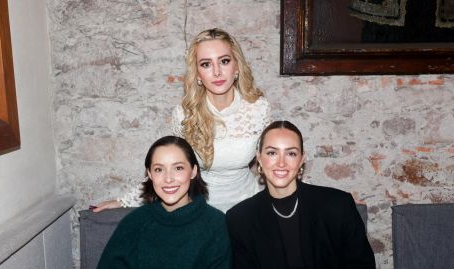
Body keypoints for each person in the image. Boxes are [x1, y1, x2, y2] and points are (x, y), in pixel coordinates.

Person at [94, 28, 271, 213]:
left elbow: (276, 163)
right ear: (197, 74)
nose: (217, 72)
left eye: (224, 61)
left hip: (250, 209)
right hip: (200, 211)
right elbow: (169, 165)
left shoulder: (258, 108)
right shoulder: (184, 115)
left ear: (236, 67)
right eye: (206, 64)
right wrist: (125, 201)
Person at [225, 121, 376, 269]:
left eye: (291, 153)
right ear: (259, 158)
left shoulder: (338, 206)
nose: (281, 163)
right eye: (272, 153)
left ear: (301, 160)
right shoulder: (239, 219)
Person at [97, 136, 231, 269]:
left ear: (193, 171)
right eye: (159, 169)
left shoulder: (216, 224)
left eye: (178, 168)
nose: (168, 179)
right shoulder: (133, 223)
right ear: (149, 174)